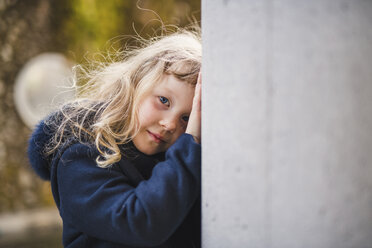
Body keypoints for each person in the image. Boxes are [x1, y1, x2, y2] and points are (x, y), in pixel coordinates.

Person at [27, 28, 202, 248]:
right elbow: (139, 223)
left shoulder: (182, 161)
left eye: (187, 118)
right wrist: (191, 142)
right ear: (136, 86)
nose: (170, 124)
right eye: (164, 101)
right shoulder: (80, 155)